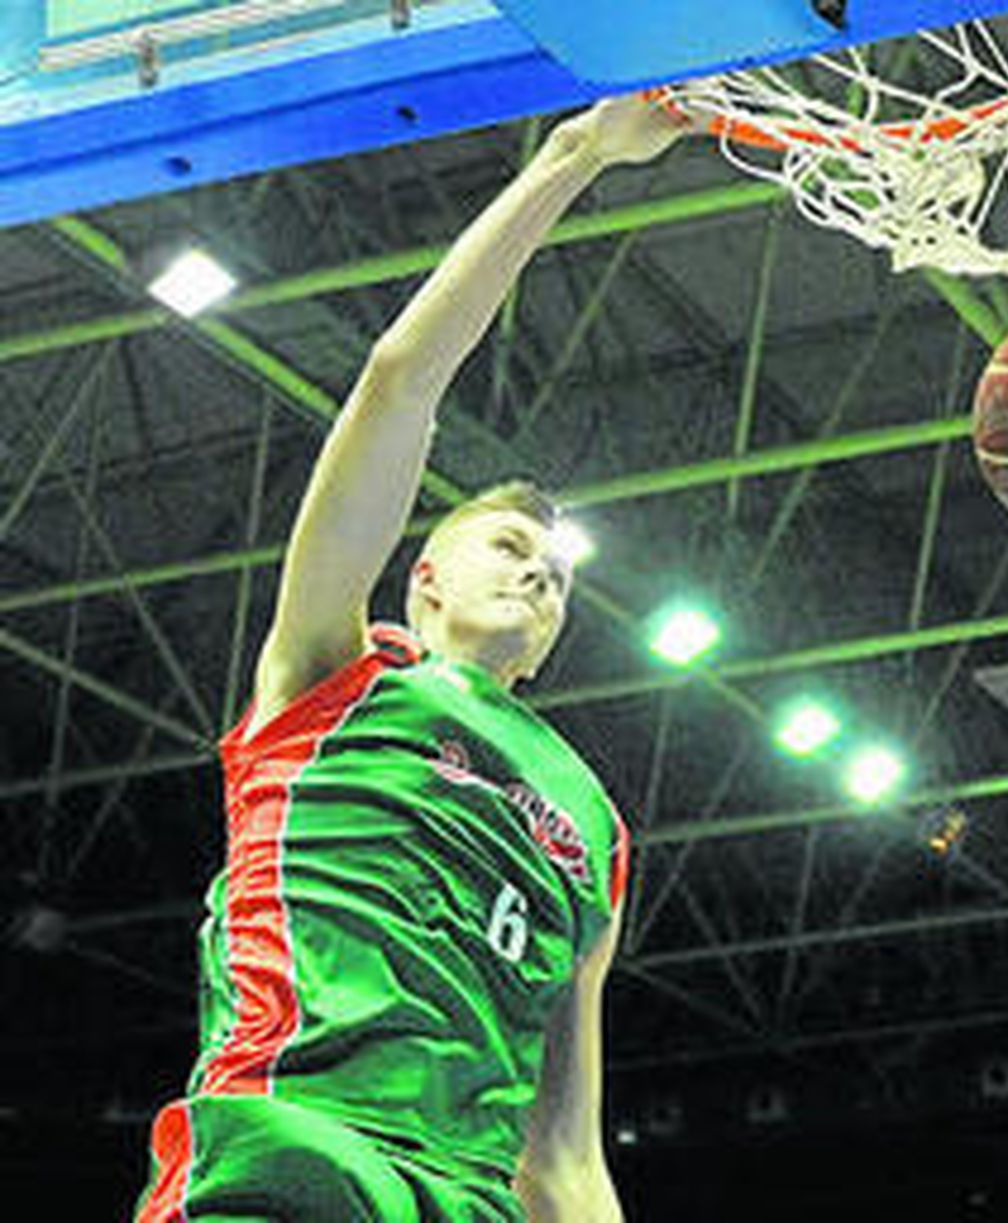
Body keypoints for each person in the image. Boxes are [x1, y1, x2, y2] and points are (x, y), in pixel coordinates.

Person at [133, 96, 685, 1222]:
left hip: (465, 1201)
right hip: (290, 1157)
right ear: (420, 578)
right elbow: (400, 376)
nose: (540, 575)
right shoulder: (334, 676)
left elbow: (565, 1154)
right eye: (509, 546)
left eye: (558, 576)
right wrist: (575, 155)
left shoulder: (594, 825)